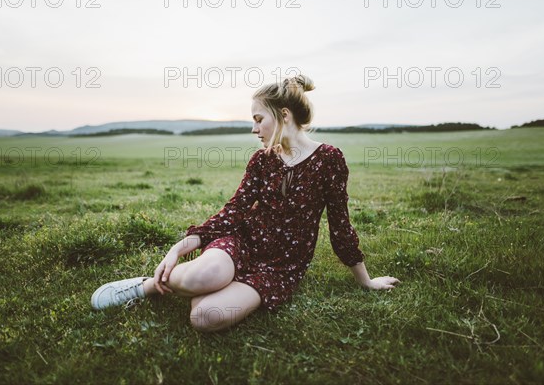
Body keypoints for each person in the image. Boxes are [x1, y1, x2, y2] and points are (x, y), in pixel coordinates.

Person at [91, 75, 400, 331]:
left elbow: (340, 225)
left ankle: (205, 287)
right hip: (242, 243)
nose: (254, 129)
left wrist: (366, 281)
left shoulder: (330, 159)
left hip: (280, 267)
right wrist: (179, 248)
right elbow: (234, 211)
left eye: (258, 119)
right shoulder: (261, 161)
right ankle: (145, 287)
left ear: (283, 116)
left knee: (204, 318)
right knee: (202, 276)